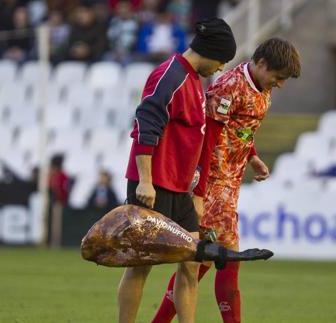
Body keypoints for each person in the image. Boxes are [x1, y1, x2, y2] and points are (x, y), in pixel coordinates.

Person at [151, 37, 301, 323]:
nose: (279, 84)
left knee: (208, 262)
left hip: (230, 184)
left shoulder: (261, 86)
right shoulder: (229, 86)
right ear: (261, 64)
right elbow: (206, 139)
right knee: (216, 260)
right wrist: (199, 192)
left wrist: (252, 156)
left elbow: (241, 128)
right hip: (211, 184)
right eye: (278, 77)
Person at [119, 17, 236, 323]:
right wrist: (145, 181)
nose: (221, 68)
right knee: (140, 265)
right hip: (152, 186)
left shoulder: (194, 80)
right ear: (210, 52)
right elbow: (145, 123)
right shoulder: (170, 75)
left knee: (190, 264)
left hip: (179, 189)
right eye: (222, 61)